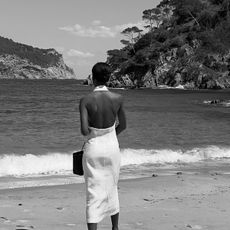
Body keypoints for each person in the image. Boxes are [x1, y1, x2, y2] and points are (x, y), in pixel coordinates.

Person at [79, 62, 126, 230]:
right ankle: (115, 228)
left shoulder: (85, 100)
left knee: (93, 192)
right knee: (112, 187)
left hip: (94, 149)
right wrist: (110, 135)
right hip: (112, 148)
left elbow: (85, 131)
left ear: (92, 77)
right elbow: (123, 125)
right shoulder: (118, 98)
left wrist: (97, 135)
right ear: (109, 78)